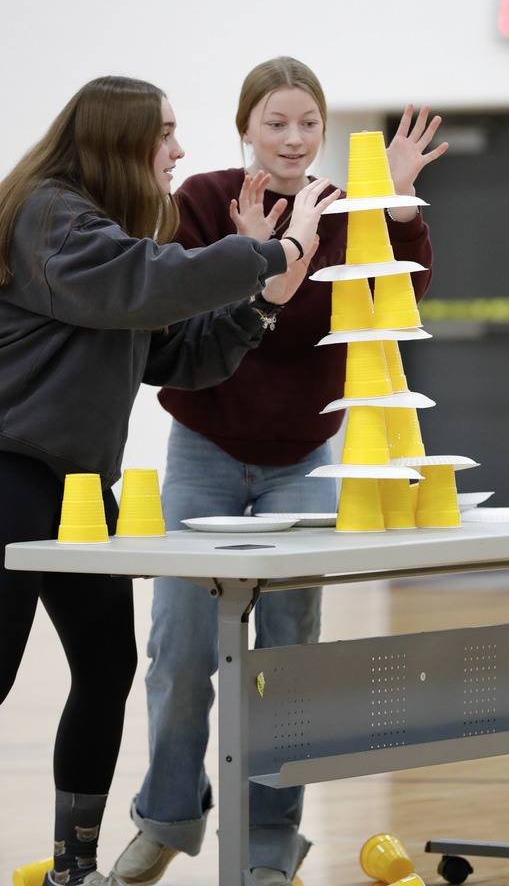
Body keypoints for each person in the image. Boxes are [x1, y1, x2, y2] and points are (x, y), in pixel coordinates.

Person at [114, 57, 447, 886]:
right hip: (204, 452)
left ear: (323, 131)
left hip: (305, 459)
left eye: (307, 123)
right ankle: (166, 818)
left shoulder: (343, 209)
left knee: (286, 658)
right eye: (275, 123)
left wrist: (399, 207)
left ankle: (269, 844)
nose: (293, 139)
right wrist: (251, 250)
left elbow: (397, 297)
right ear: (245, 129)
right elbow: (177, 316)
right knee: (180, 649)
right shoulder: (199, 202)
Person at [0, 74, 336, 886]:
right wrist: (274, 251)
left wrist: (258, 303)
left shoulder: (103, 238)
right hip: (10, 471)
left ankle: (73, 868)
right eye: (165, 134)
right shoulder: (51, 215)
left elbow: (174, 353)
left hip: (78, 485)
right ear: (118, 138)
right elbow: (149, 280)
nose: (178, 151)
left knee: (107, 666)